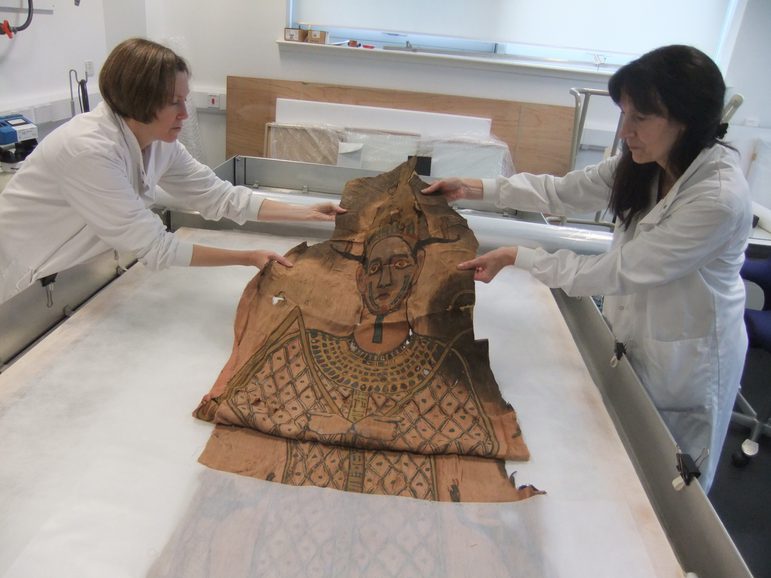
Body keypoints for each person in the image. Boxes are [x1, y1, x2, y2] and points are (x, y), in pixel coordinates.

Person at [421, 44, 752, 492]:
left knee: (672, 482)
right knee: (620, 457)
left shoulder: (717, 197)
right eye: (623, 114)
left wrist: (520, 257)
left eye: (639, 118)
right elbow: (560, 192)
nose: (624, 132)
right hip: (635, 331)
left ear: (686, 119)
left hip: (686, 356)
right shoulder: (645, 163)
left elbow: (621, 270)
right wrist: (474, 186)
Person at [0, 37, 344, 304]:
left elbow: (218, 197)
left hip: (57, 272)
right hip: (15, 274)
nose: (184, 113)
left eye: (185, 100)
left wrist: (305, 212)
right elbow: (156, 247)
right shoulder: (88, 150)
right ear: (138, 100)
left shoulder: (159, 141)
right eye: (173, 102)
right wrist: (248, 257)